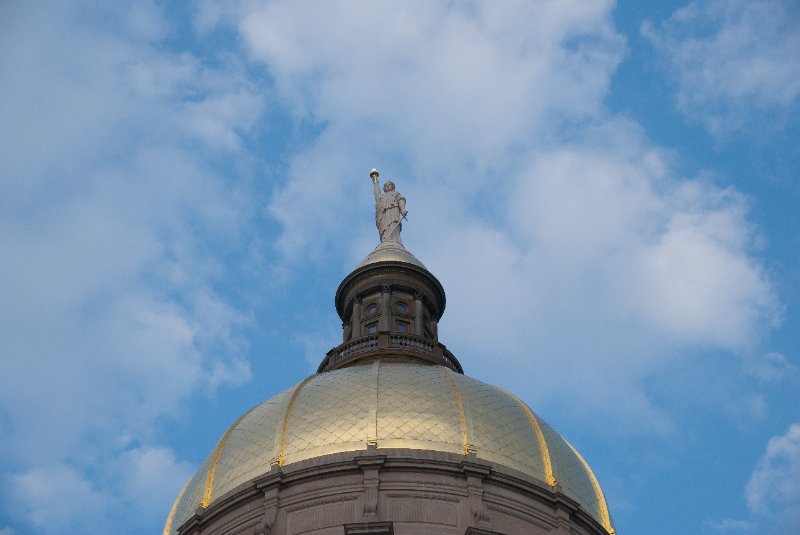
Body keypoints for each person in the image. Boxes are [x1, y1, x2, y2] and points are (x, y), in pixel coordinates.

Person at [370, 168, 407, 243]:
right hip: (383, 215)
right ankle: (385, 241)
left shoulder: (396, 194)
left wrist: (403, 210)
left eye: (389, 185)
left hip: (393, 212)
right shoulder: (382, 197)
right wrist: (375, 181)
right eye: (386, 185)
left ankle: (395, 241)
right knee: (384, 229)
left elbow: (401, 200)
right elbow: (377, 193)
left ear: (393, 186)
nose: (387, 186)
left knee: (393, 226)